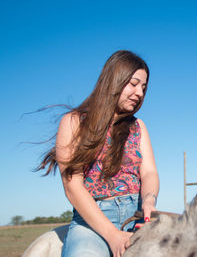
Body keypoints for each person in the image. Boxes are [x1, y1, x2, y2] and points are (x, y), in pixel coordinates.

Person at [37, 50, 159, 257]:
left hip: (137, 216)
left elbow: (148, 172)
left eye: (144, 87)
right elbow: (72, 186)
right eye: (134, 83)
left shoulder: (138, 126)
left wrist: (149, 200)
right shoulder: (73, 122)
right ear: (114, 80)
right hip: (91, 223)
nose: (140, 92)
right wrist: (113, 235)